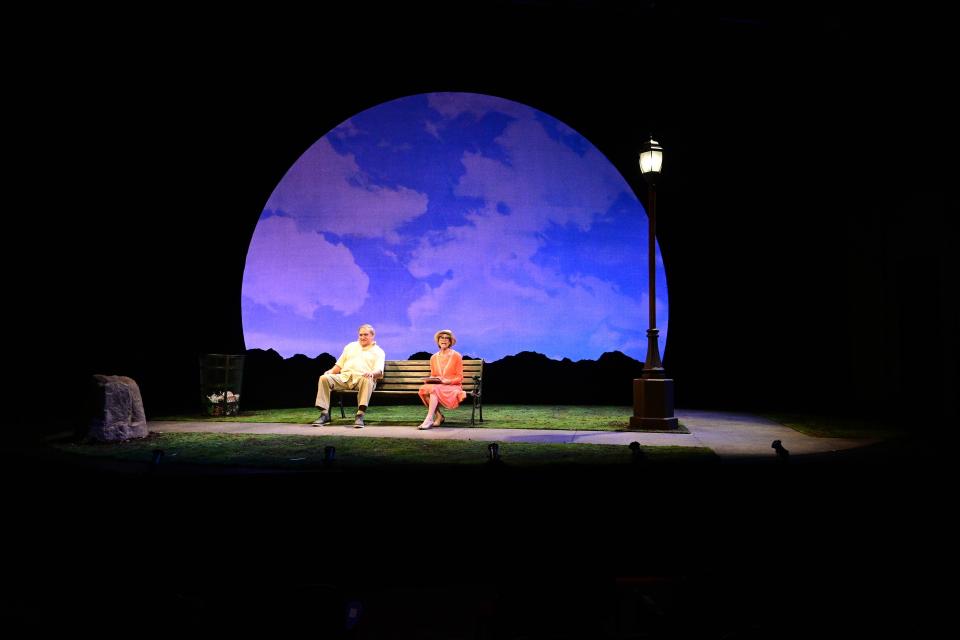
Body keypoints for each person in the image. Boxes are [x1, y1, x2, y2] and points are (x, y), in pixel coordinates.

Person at [313, 324, 385, 428]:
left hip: (362, 379)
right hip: (345, 378)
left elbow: (379, 370)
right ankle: (324, 414)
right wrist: (330, 372)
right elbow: (339, 365)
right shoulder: (350, 346)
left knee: (368, 379)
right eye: (360, 335)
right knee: (324, 378)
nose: (362, 337)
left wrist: (372, 373)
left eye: (366, 335)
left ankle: (360, 415)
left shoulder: (378, 351)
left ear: (372, 335)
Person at [416, 329, 467, 430]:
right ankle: (439, 416)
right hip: (438, 385)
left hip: (452, 386)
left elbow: (460, 377)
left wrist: (448, 381)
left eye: (446, 338)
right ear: (438, 341)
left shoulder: (456, 356)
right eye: (441, 338)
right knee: (423, 390)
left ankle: (429, 418)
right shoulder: (433, 357)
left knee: (434, 390)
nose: (444, 340)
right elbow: (434, 375)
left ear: (450, 341)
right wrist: (430, 379)